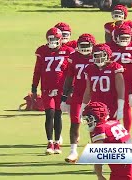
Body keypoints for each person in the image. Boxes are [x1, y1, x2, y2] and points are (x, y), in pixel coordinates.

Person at [32, 27, 75, 155]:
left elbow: (71, 72)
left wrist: (71, 88)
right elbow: (37, 71)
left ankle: (57, 142)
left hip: (61, 88)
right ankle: (50, 141)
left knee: (58, 114)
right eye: (50, 39)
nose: (53, 41)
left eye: (55, 39)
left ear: (61, 39)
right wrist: (34, 87)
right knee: (49, 114)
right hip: (47, 88)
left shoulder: (68, 51)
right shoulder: (42, 51)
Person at [82, 102, 132, 180]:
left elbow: (97, 157)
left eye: (88, 119)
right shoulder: (115, 123)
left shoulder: (100, 129)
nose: (87, 122)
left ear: (96, 117)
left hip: (121, 174)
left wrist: (99, 175)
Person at [61, 33, 96, 163]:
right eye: (83, 46)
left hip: (94, 94)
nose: (85, 48)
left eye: (88, 46)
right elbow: (69, 77)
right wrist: (64, 97)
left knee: (95, 124)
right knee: (75, 122)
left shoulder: (96, 56)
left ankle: (95, 150)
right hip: (77, 93)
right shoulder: (74, 57)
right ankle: (73, 151)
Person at [107, 25, 132, 132]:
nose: (124, 40)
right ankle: (113, 134)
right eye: (122, 38)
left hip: (128, 81)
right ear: (115, 37)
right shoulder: (109, 47)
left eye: (127, 38)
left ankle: (126, 134)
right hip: (111, 82)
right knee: (111, 108)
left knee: (126, 109)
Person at [82, 43, 125, 121]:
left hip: (111, 105)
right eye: (96, 56)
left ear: (108, 55)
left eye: (101, 55)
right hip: (95, 106)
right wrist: (82, 107)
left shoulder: (115, 68)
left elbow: (121, 91)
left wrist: (120, 108)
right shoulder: (90, 69)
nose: (99, 58)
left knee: (110, 130)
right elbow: (88, 91)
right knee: (95, 131)